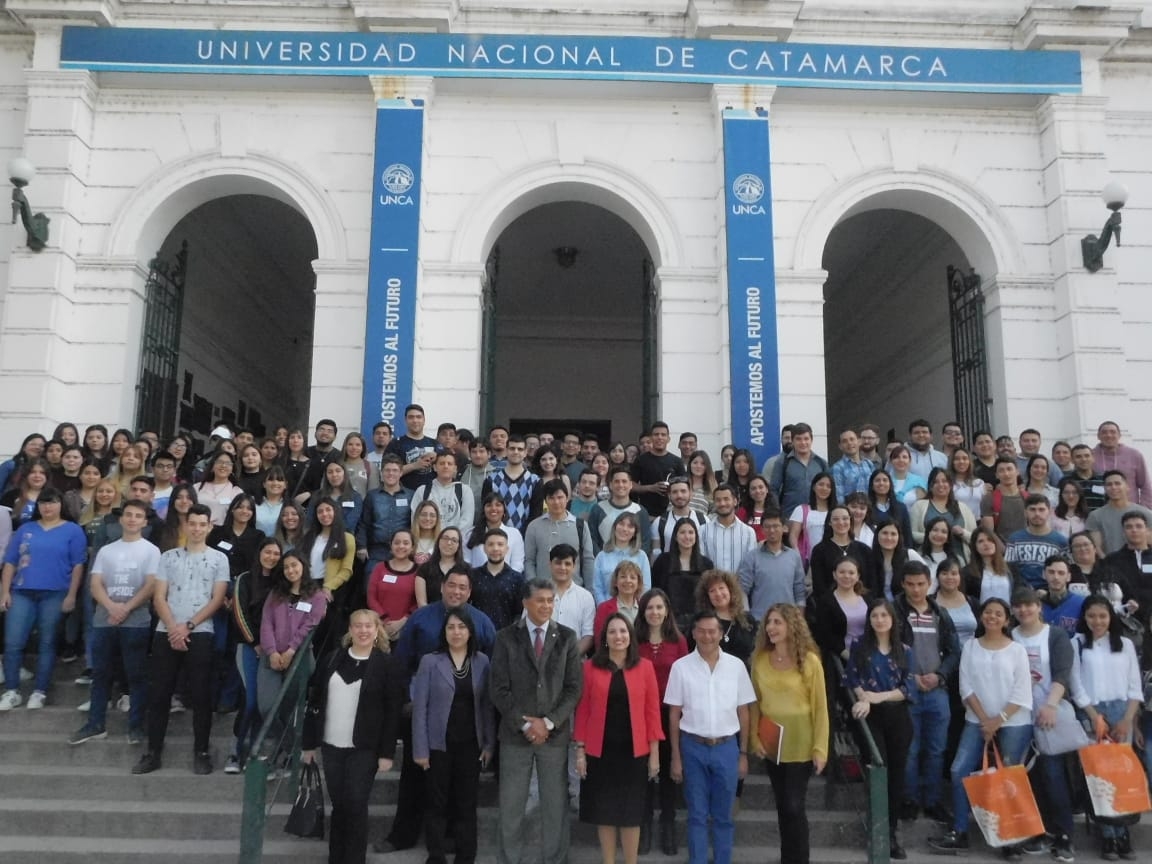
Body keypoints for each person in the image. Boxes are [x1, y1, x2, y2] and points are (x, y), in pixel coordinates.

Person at [383, 568, 497, 855]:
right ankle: (403, 835)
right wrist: (406, 701)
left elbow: (490, 673)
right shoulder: (421, 618)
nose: (456, 591)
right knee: (414, 781)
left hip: (466, 724)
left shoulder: (482, 622)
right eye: (452, 585)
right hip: (421, 712)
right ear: (443, 586)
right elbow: (401, 662)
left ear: (470, 591)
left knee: (459, 792)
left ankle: (453, 840)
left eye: (463, 587)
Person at [490, 577, 584, 864]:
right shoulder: (506, 637)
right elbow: (498, 688)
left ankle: (555, 859)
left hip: (554, 736)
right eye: (540, 600)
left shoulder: (567, 637)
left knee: (555, 804)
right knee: (511, 804)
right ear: (525, 603)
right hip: (515, 735)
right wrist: (525, 723)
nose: (546, 606)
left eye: (550, 600)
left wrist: (549, 722)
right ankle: (509, 859)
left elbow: (574, 688)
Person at [928, 598, 1033, 854]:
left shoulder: (1017, 650)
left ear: (1006, 620)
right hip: (976, 720)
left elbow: (1022, 692)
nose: (992, 617)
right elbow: (966, 687)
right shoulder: (971, 647)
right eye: (988, 612)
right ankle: (960, 830)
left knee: (1009, 776)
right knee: (959, 770)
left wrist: (998, 720)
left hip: (1014, 721)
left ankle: (1011, 837)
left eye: (998, 614)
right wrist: (985, 720)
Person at [132, 504, 229, 775]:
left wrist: (188, 626)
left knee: (201, 694)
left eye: (202, 524)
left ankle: (202, 751)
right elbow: (159, 596)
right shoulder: (168, 557)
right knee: (159, 694)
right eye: (192, 523)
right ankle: (153, 752)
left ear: (209, 527)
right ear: (185, 526)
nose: (197, 529)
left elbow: (217, 599)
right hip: (166, 631)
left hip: (200, 631)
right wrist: (174, 627)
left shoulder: (219, 559)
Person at [302, 609, 403, 864]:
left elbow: (393, 712)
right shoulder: (332, 659)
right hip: (331, 745)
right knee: (339, 805)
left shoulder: (387, 664)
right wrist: (309, 744)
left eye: (368, 626)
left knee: (356, 802)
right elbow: (314, 701)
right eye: (357, 625)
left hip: (365, 748)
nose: (363, 630)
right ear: (350, 629)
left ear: (377, 630)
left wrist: (387, 753)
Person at [666, 610, 756, 864]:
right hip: (692, 747)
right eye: (702, 631)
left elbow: (744, 712)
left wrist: (743, 753)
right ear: (694, 633)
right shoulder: (681, 667)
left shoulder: (736, 666)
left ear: (721, 633)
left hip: (727, 748)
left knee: (724, 816)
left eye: (712, 631)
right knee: (696, 814)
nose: (707, 636)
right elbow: (674, 714)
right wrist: (676, 757)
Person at [574, 613, 663, 864]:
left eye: (623, 631)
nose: (618, 636)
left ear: (630, 636)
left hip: (634, 752)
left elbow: (652, 713)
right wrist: (580, 750)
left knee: (631, 814)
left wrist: (654, 753)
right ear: (604, 638)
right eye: (612, 632)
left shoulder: (644, 667)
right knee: (605, 812)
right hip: (600, 752)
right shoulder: (589, 668)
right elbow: (583, 711)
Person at [409, 605, 495, 864]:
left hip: (470, 744)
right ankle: (436, 855)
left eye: (461, 627)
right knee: (436, 803)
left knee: (466, 804)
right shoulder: (430, 661)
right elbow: (420, 708)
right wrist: (420, 749)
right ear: (444, 632)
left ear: (470, 632)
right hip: (438, 745)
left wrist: (488, 744)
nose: (456, 632)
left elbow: (486, 706)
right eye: (451, 627)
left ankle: (466, 855)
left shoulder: (482, 661)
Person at [69, 499, 159, 746]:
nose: (132, 519)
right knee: (100, 675)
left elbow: (151, 585)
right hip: (104, 619)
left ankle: (136, 726)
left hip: (136, 621)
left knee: (136, 676)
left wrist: (126, 608)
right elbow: (95, 583)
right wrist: (111, 607)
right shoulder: (107, 550)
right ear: (120, 519)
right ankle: (95, 724)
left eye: (137, 516)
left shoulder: (151, 550)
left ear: (144, 521)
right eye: (128, 515)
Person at [748, 602, 829, 864]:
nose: (770, 627)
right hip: (772, 742)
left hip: (801, 744)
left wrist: (820, 748)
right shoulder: (760, 660)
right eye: (768, 622)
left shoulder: (810, 661)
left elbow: (820, 707)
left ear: (791, 626)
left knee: (794, 805)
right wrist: (754, 738)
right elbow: (755, 703)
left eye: (777, 622)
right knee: (783, 806)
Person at [0, 488, 87, 711]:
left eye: (53, 502)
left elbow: (78, 565)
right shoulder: (26, 529)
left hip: (55, 592)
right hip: (21, 591)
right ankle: (11, 690)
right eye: (43, 503)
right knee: (13, 642)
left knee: (47, 643)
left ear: (61, 505)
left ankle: (40, 691)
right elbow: (10, 561)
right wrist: (5, 591)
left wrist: (71, 594)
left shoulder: (73, 530)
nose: (48, 507)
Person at [1073, 596, 1144, 861]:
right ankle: (1108, 836)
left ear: (1111, 617)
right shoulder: (1077, 643)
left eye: (1102, 616)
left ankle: (1123, 833)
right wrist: (1094, 716)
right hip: (1092, 713)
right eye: (1092, 616)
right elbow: (1076, 685)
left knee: (1121, 777)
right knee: (1100, 778)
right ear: (1085, 618)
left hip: (1121, 712)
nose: (1097, 621)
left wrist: (1127, 719)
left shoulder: (1125, 644)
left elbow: (1134, 686)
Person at [1009, 587, 1077, 862]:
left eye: (1029, 605)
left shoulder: (1055, 635)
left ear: (1039, 607)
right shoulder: (1010, 636)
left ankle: (1064, 835)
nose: (1024, 610)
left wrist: (1051, 705)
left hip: (1047, 713)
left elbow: (1062, 673)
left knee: (1052, 774)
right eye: (1018, 606)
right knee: (1026, 777)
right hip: (1017, 715)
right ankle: (1037, 831)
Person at [894, 560, 959, 825]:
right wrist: (909, 677)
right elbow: (887, 649)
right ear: (902, 584)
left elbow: (954, 651)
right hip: (906, 691)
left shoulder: (941, 614)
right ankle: (909, 800)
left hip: (937, 690)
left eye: (921, 584)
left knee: (936, 749)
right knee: (909, 750)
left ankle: (932, 801)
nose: (916, 589)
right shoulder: (894, 612)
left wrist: (940, 674)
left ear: (929, 584)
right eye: (910, 584)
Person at [847, 599, 913, 859]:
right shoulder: (859, 646)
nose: (880, 620)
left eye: (884, 615)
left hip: (897, 715)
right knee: (878, 768)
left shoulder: (904, 650)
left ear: (893, 619)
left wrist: (878, 696)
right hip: (871, 716)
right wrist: (864, 698)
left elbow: (907, 688)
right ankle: (877, 829)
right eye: (875, 615)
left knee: (897, 775)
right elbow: (852, 677)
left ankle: (892, 832)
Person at [635, 589, 689, 856]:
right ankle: (644, 825)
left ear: (667, 610)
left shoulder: (678, 641)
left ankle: (668, 824)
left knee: (668, 771)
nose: (654, 612)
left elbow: (686, 678)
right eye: (649, 608)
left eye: (659, 607)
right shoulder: (634, 640)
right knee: (642, 772)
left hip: (670, 715)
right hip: (640, 715)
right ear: (643, 611)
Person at [258, 550, 327, 739]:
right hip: (271, 655)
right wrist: (272, 652)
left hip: (300, 657)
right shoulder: (275, 593)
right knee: (266, 707)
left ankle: (285, 749)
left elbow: (309, 626)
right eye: (286, 567)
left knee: (288, 709)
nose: (290, 570)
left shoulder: (317, 596)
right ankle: (288, 745)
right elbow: (266, 623)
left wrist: (290, 651)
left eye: (294, 565)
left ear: (303, 565)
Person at [226, 536, 281, 773]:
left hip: (273, 651)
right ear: (259, 553)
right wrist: (255, 642)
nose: (272, 557)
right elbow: (239, 613)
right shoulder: (245, 579)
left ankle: (255, 753)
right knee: (250, 702)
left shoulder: (281, 582)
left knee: (262, 703)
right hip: (248, 648)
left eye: (276, 554)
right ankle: (235, 752)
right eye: (268, 552)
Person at [737, 509, 807, 621]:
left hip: (788, 621)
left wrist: (800, 618)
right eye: (767, 527)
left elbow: (800, 591)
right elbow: (742, 589)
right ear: (762, 529)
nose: (772, 530)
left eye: (776, 526)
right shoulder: (752, 557)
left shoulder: (794, 557)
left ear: (784, 528)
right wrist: (747, 615)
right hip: (760, 620)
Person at [522, 480, 595, 586]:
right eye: (551, 498)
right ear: (545, 501)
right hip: (544, 590)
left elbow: (588, 560)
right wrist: (534, 587)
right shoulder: (534, 526)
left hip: (574, 589)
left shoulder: (581, 526)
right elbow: (529, 561)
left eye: (560, 497)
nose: (556, 502)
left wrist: (589, 589)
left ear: (567, 498)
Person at [652, 518, 715, 620]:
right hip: (668, 620)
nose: (687, 536)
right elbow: (655, 591)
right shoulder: (662, 561)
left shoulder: (706, 564)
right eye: (682, 532)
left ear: (696, 536)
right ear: (675, 537)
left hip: (699, 621)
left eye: (691, 532)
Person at [807, 505, 875, 599]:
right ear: (829, 522)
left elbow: (871, 582)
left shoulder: (864, 550)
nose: (841, 522)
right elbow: (819, 586)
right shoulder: (819, 550)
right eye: (835, 519)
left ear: (850, 521)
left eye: (845, 518)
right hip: (830, 604)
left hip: (861, 602)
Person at [367, 529, 422, 643]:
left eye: (406, 543)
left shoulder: (419, 571)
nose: (401, 546)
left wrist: (401, 623)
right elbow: (371, 598)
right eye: (397, 542)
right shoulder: (379, 568)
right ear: (391, 546)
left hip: (407, 629)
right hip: (379, 627)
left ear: (412, 547)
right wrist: (385, 621)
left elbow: (419, 602)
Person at [1003, 494, 1068, 589]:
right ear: (1025, 513)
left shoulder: (1061, 541)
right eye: (1032, 509)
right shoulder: (1014, 539)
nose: (1037, 513)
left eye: (1041, 510)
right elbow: (1009, 569)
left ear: (1049, 512)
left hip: (1050, 590)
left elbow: (1064, 573)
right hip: (1020, 590)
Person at [694, 569, 758, 664]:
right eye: (712, 591)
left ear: (730, 590)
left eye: (721, 588)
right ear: (707, 596)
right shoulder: (701, 622)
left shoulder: (748, 620)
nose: (718, 594)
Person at [468, 528, 524, 631]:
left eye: (500, 544)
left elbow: (519, 613)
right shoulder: (473, 575)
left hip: (506, 635)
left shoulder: (517, 579)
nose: (495, 548)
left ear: (507, 549)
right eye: (490, 544)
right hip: (477, 634)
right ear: (484, 548)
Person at [588, 466, 652, 555]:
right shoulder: (598, 509)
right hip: (604, 561)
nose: (620, 485)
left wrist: (634, 561)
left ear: (630, 485)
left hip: (632, 562)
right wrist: (602, 559)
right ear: (610, 485)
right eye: (617, 481)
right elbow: (592, 539)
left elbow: (645, 542)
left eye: (624, 481)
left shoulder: (640, 511)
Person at [481, 435, 539, 533]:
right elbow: (486, 510)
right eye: (512, 448)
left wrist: (519, 534)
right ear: (506, 451)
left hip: (526, 535)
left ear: (525, 453)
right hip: (496, 534)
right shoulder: (491, 480)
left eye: (520, 449)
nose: (516, 452)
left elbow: (535, 514)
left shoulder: (535, 481)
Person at [769, 422, 829, 514]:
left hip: (816, 515)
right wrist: (777, 513)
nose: (803, 442)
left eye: (806, 439)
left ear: (811, 440)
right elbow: (773, 490)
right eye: (798, 439)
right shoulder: (782, 463)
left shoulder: (821, 463)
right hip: (789, 516)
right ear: (792, 441)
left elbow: (830, 489)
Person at [592, 512, 651, 605]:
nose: (624, 529)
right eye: (621, 524)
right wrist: (605, 608)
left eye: (630, 526)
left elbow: (645, 588)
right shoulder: (601, 556)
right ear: (614, 527)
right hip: (607, 608)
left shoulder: (641, 556)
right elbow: (597, 588)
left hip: (634, 610)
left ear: (635, 533)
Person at [1087, 471, 1152, 555]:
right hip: (1109, 561)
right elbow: (1097, 548)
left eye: (1117, 483)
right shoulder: (1095, 516)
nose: (1113, 487)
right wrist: (1108, 562)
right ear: (1105, 489)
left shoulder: (1146, 514)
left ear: (1127, 487)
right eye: (1109, 484)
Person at [630, 422, 685, 519]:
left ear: (668, 439)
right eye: (656, 434)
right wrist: (650, 488)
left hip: (672, 515)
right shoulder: (640, 460)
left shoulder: (677, 461)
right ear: (651, 438)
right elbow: (631, 485)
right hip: (647, 514)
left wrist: (671, 489)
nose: (660, 437)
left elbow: (684, 487)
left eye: (663, 435)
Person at [410, 449, 475, 533]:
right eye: (442, 463)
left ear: (455, 468)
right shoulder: (422, 491)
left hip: (455, 539)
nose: (446, 466)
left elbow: (467, 521)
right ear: (435, 467)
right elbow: (415, 519)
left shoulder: (465, 491)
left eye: (449, 464)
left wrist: (449, 537)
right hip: (429, 539)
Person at [698, 484, 757, 573]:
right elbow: (701, 562)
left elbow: (750, 565)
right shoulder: (703, 531)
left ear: (735, 501)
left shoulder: (748, 532)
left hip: (740, 581)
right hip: (712, 581)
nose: (722, 503)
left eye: (726, 499)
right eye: (718, 500)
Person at [1092, 421, 1150, 506]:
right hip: (1099, 508)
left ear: (1119, 435)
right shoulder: (1090, 456)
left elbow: (1145, 485)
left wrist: (1144, 508)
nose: (1109, 435)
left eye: (1113, 432)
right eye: (1104, 432)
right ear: (1098, 436)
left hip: (1130, 508)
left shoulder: (1134, 455)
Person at [788, 473, 836, 568]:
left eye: (828, 486)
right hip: (809, 561)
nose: (824, 488)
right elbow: (793, 536)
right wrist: (797, 556)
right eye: (821, 484)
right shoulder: (801, 510)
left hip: (834, 560)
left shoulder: (836, 511)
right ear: (814, 487)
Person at [389, 404, 439, 491]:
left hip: (431, 494)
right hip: (404, 494)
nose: (415, 420)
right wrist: (414, 465)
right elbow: (389, 473)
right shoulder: (395, 444)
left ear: (424, 420)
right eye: (411, 417)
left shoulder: (435, 443)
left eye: (418, 417)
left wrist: (437, 457)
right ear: (405, 420)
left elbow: (449, 468)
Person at [981, 456, 1028, 543]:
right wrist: (1003, 549)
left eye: (1009, 469)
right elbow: (989, 533)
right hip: (1001, 547)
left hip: (1026, 545)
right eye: (1001, 470)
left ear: (1017, 471)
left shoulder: (1028, 498)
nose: (1006, 474)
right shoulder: (989, 499)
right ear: (996, 475)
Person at [593, 560, 644, 637]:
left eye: (632, 577)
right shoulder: (604, 609)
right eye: (623, 577)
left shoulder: (645, 608)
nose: (628, 580)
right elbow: (599, 639)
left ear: (638, 583)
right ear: (615, 582)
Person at [417, 526, 466, 605]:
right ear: (438, 542)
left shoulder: (466, 569)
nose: (449, 543)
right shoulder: (424, 569)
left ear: (458, 546)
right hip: (429, 612)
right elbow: (421, 603)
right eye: (445, 538)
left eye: (454, 540)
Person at [194, 450, 244, 526]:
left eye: (228, 463)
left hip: (223, 530)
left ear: (232, 469)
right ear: (213, 466)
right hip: (198, 529)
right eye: (220, 462)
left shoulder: (237, 492)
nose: (223, 465)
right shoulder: (197, 487)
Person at [867, 468, 913, 543]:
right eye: (877, 480)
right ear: (872, 485)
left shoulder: (901, 508)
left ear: (890, 484)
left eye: (885, 480)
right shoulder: (866, 508)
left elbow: (907, 536)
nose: (881, 483)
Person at [831, 428, 875, 502]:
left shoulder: (869, 464)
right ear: (840, 446)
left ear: (859, 441)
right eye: (844, 441)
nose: (849, 443)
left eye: (852, 439)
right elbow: (839, 496)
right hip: (850, 508)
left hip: (870, 507)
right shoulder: (838, 467)